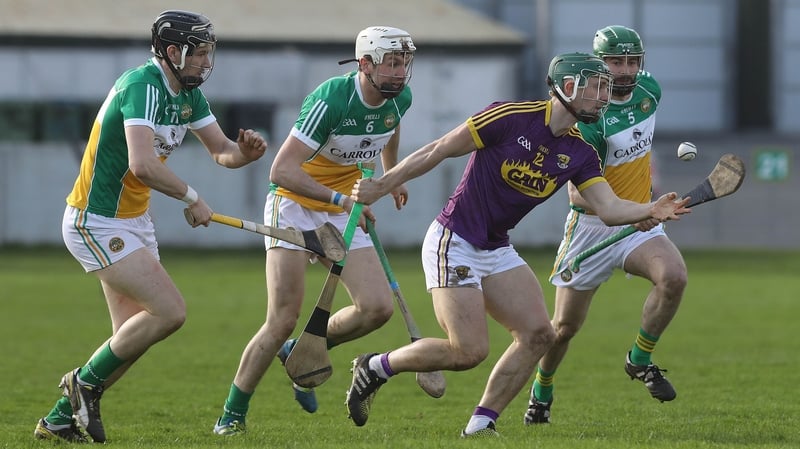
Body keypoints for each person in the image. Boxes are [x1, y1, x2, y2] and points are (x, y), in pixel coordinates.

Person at [344, 52, 691, 437]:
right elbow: (438, 148)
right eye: (596, 87)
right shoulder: (510, 117)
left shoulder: (580, 152)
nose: (604, 97)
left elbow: (608, 208)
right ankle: (375, 367)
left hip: (496, 249)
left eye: (606, 89)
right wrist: (383, 183)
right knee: (468, 352)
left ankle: (481, 424)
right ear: (567, 87)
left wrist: (651, 208)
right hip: (454, 240)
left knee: (541, 335)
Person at [33, 10, 268, 443]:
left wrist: (245, 155)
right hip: (96, 220)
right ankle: (81, 383)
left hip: (133, 220)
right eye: (197, 53)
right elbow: (141, 164)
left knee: (129, 340)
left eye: (207, 53)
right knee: (170, 312)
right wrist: (192, 199)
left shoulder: (189, 95)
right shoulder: (142, 87)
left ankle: (59, 419)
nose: (204, 62)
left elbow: (221, 150)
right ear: (172, 51)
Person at [212, 26, 415, 435]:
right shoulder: (331, 100)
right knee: (282, 317)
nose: (400, 71)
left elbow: (388, 128)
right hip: (293, 204)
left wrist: (391, 175)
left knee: (377, 308)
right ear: (365, 64)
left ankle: (299, 352)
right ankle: (231, 415)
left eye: (404, 62)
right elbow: (281, 170)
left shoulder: (399, 98)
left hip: (341, 211)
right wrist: (342, 200)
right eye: (392, 62)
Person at [524, 25, 684, 426]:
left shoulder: (650, 92)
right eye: (616, 62)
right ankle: (542, 390)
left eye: (633, 60)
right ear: (600, 65)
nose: (626, 70)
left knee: (674, 278)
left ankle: (639, 359)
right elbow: (578, 196)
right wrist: (633, 209)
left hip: (642, 224)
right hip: (592, 228)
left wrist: (644, 209)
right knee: (562, 329)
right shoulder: (589, 120)